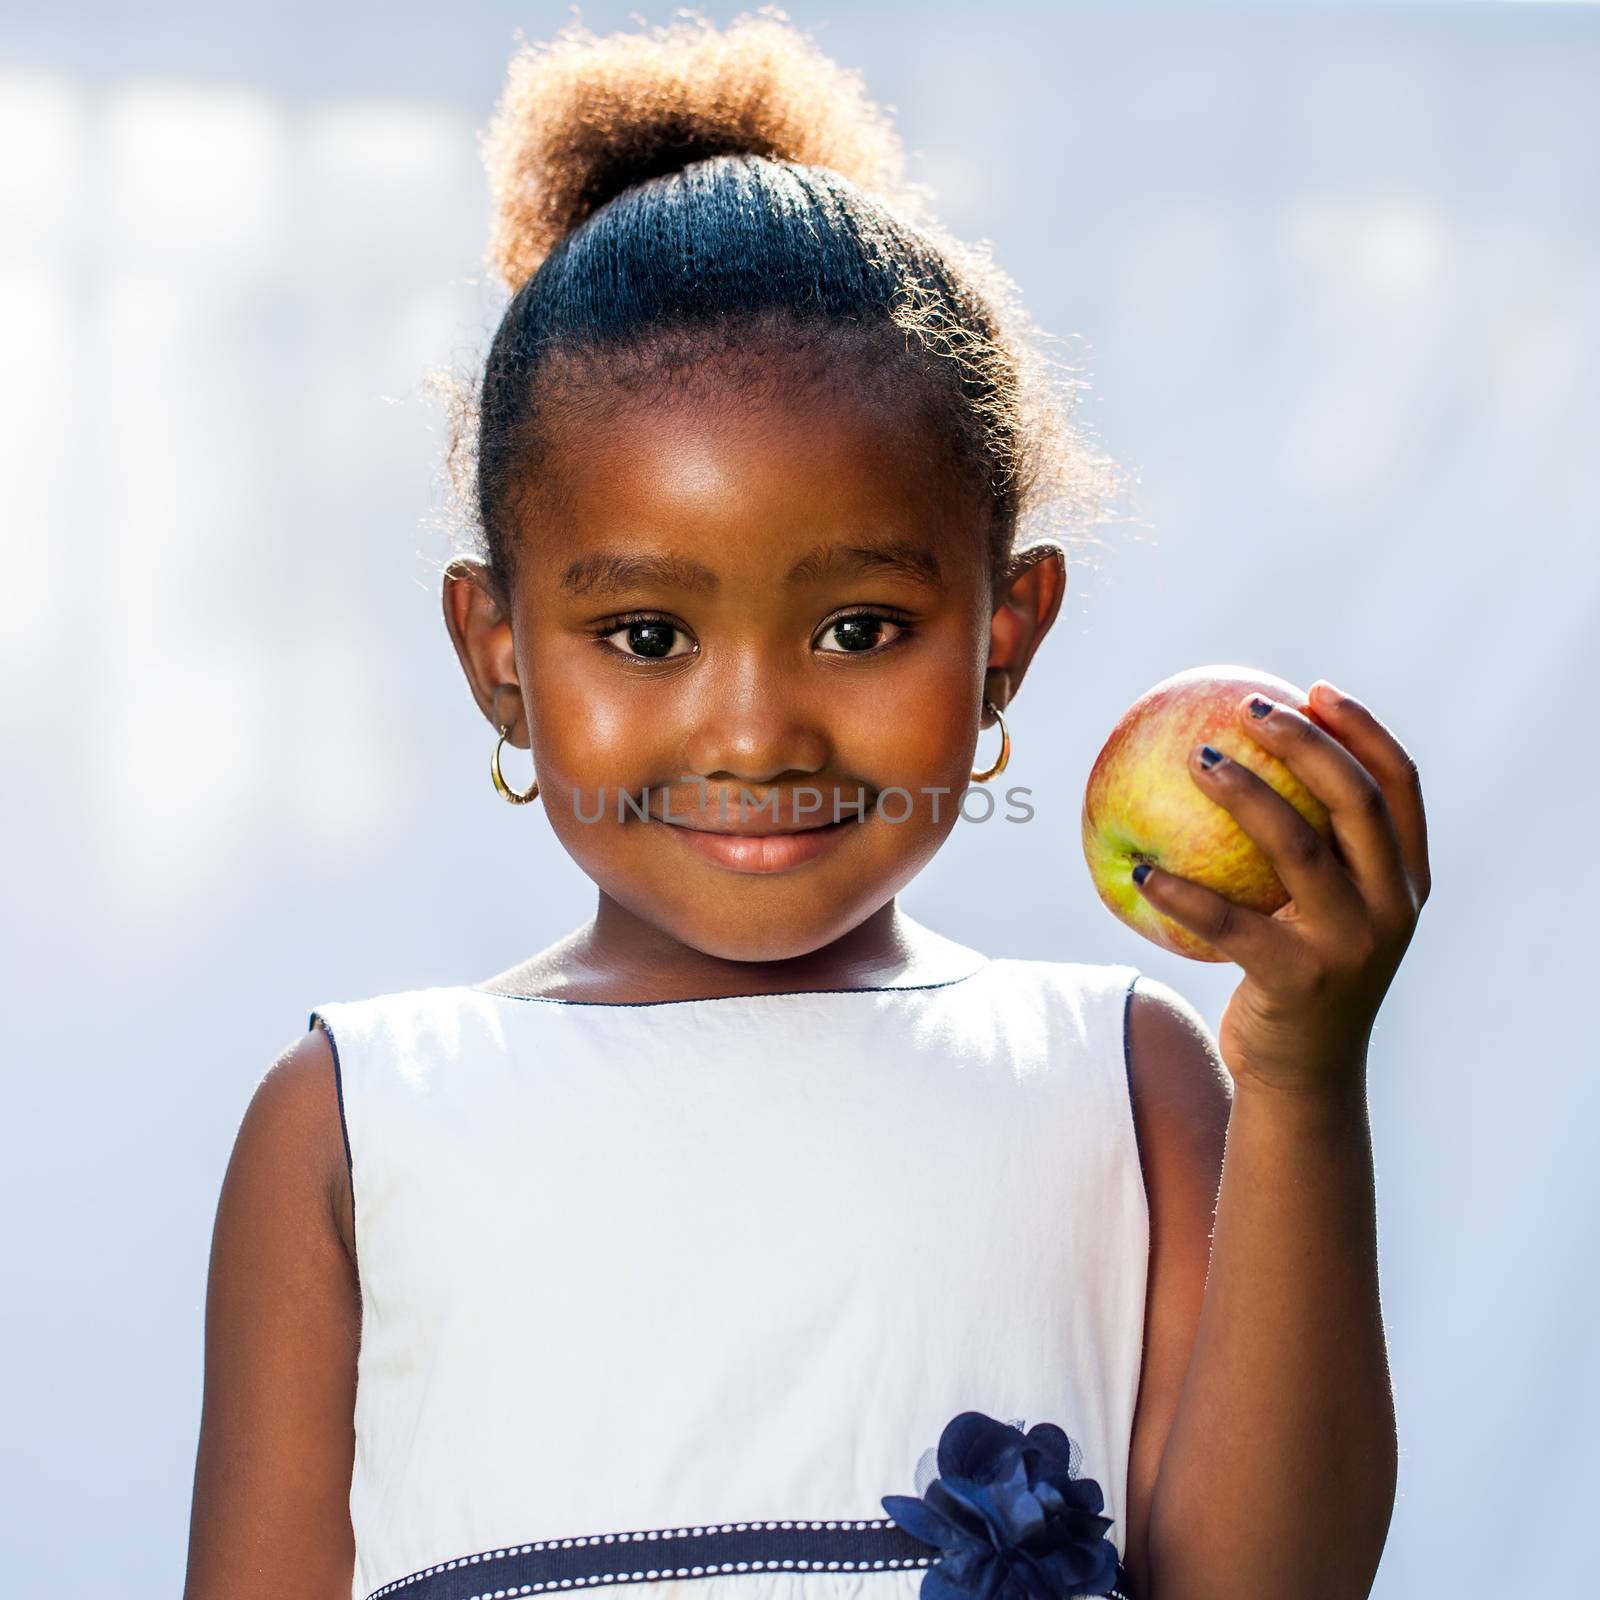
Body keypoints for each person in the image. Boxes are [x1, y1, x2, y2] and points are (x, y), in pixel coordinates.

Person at [182, 12, 1429, 1600]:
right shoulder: (358, 1115)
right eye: (647, 635)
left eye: (860, 628)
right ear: (498, 655)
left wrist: (1306, 1078)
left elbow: (1274, 1587)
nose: (757, 728)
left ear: (1006, 639)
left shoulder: (1122, 1076)